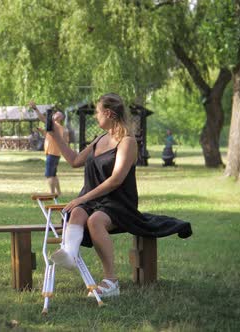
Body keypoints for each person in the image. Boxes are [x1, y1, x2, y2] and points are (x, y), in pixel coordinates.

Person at [44, 93, 191, 298]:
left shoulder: (127, 142)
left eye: (97, 112)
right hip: (95, 200)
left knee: (95, 220)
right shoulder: (100, 139)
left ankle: (111, 282)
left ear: (109, 113)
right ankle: (69, 254)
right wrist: (54, 134)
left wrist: (82, 198)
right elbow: (74, 160)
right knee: (76, 213)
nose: (96, 116)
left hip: (118, 203)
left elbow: (116, 180)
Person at [29, 102, 68, 195]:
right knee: (53, 174)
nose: (54, 114)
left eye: (57, 113)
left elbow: (42, 118)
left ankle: (52, 193)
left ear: (60, 118)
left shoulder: (55, 125)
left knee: (49, 175)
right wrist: (42, 131)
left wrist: (35, 109)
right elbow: (50, 136)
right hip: (55, 153)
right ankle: (58, 192)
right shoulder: (59, 128)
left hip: (52, 153)